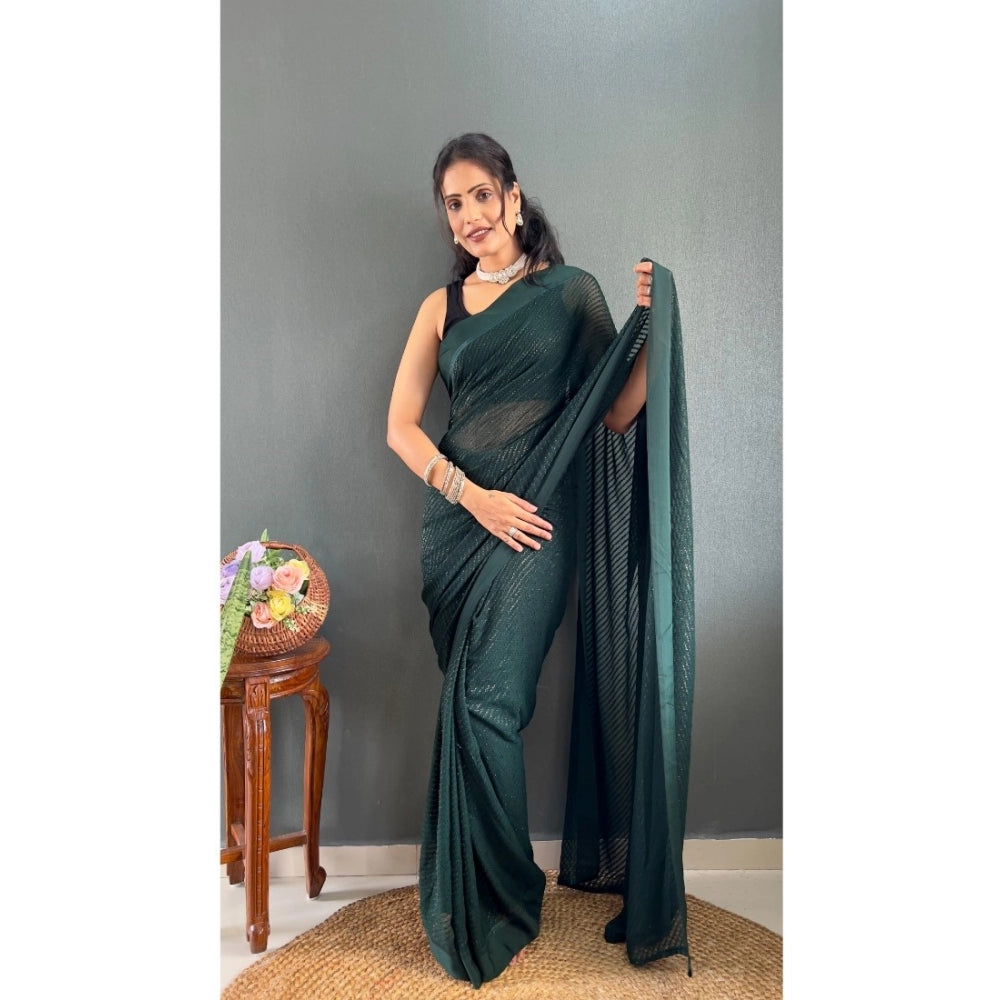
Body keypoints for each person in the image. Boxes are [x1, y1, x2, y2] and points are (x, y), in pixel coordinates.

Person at [387, 132, 694, 988]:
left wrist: (655, 324)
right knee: (471, 708)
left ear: (514, 197)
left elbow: (617, 412)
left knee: (486, 704)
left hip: (533, 529)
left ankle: (504, 897)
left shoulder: (569, 294)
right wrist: (470, 497)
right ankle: (487, 887)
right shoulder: (439, 308)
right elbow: (401, 427)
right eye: (454, 204)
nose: (470, 216)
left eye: (482, 195)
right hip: (458, 531)